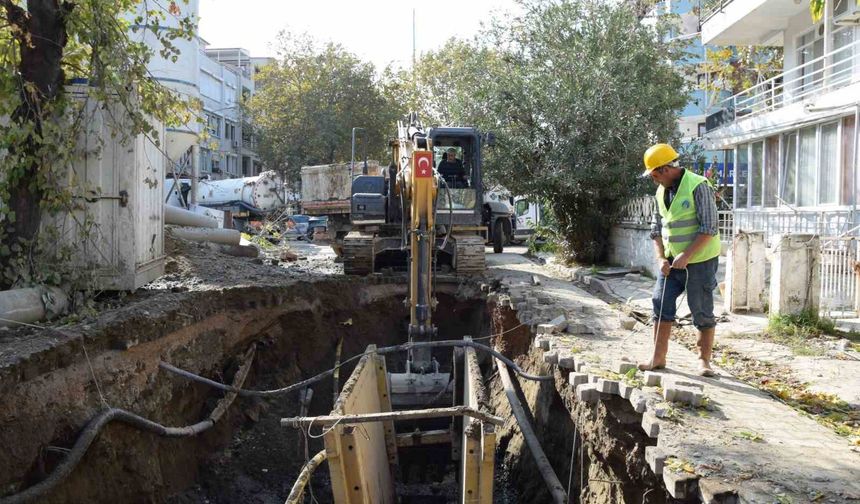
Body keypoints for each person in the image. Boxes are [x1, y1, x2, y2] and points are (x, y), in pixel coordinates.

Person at [639, 143, 721, 377]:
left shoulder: (698, 186)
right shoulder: (660, 192)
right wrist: (660, 257)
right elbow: (656, 229)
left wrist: (687, 255)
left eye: (654, 174)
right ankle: (657, 358)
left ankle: (704, 361)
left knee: (701, 309)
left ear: (665, 169)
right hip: (671, 262)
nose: (653, 180)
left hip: (701, 261)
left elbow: (709, 228)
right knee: (660, 302)